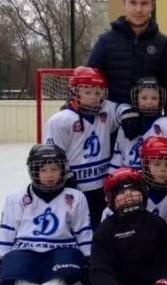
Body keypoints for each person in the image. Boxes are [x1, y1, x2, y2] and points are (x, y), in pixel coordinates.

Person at [30, 168, 167, 285]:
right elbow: (99, 271)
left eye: (133, 190)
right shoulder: (105, 230)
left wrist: (162, 284)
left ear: (143, 192)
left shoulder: (157, 223)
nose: (128, 196)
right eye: (121, 193)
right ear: (111, 200)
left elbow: (163, 261)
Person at [0, 144, 92, 285]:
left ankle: (55, 280)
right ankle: (27, 279)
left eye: (54, 169)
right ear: (34, 172)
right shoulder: (16, 197)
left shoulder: (74, 197)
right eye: (43, 170)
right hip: (25, 251)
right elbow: (8, 230)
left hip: (61, 251)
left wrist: (89, 257)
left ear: (63, 170)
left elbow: (82, 230)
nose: (50, 175)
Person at [42, 66, 126, 228]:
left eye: (97, 92)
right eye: (87, 92)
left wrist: (130, 114)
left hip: (102, 187)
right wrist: (65, 178)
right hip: (75, 188)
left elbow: (121, 108)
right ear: (74, 92)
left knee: (100, 229)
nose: (94, 98)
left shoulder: (105, 110)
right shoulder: (60, 120)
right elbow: (52, 156)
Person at [87, 0, 167, 117]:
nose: (138, 9)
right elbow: (88, 81)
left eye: (144, 3)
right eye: (133, 2)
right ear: (123, 4)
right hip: (112, 123)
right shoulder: (105, 41)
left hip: (149, 123)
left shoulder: (163, 44)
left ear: (152, 6)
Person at [108, 76, 167, 172]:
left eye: (154, 98)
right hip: (131, 181)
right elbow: (118, 157)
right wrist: (112, 177)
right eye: (144, 98)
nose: (149, 102)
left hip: (158, 180)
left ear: (160, 100)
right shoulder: (126, 124)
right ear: (136, 99)